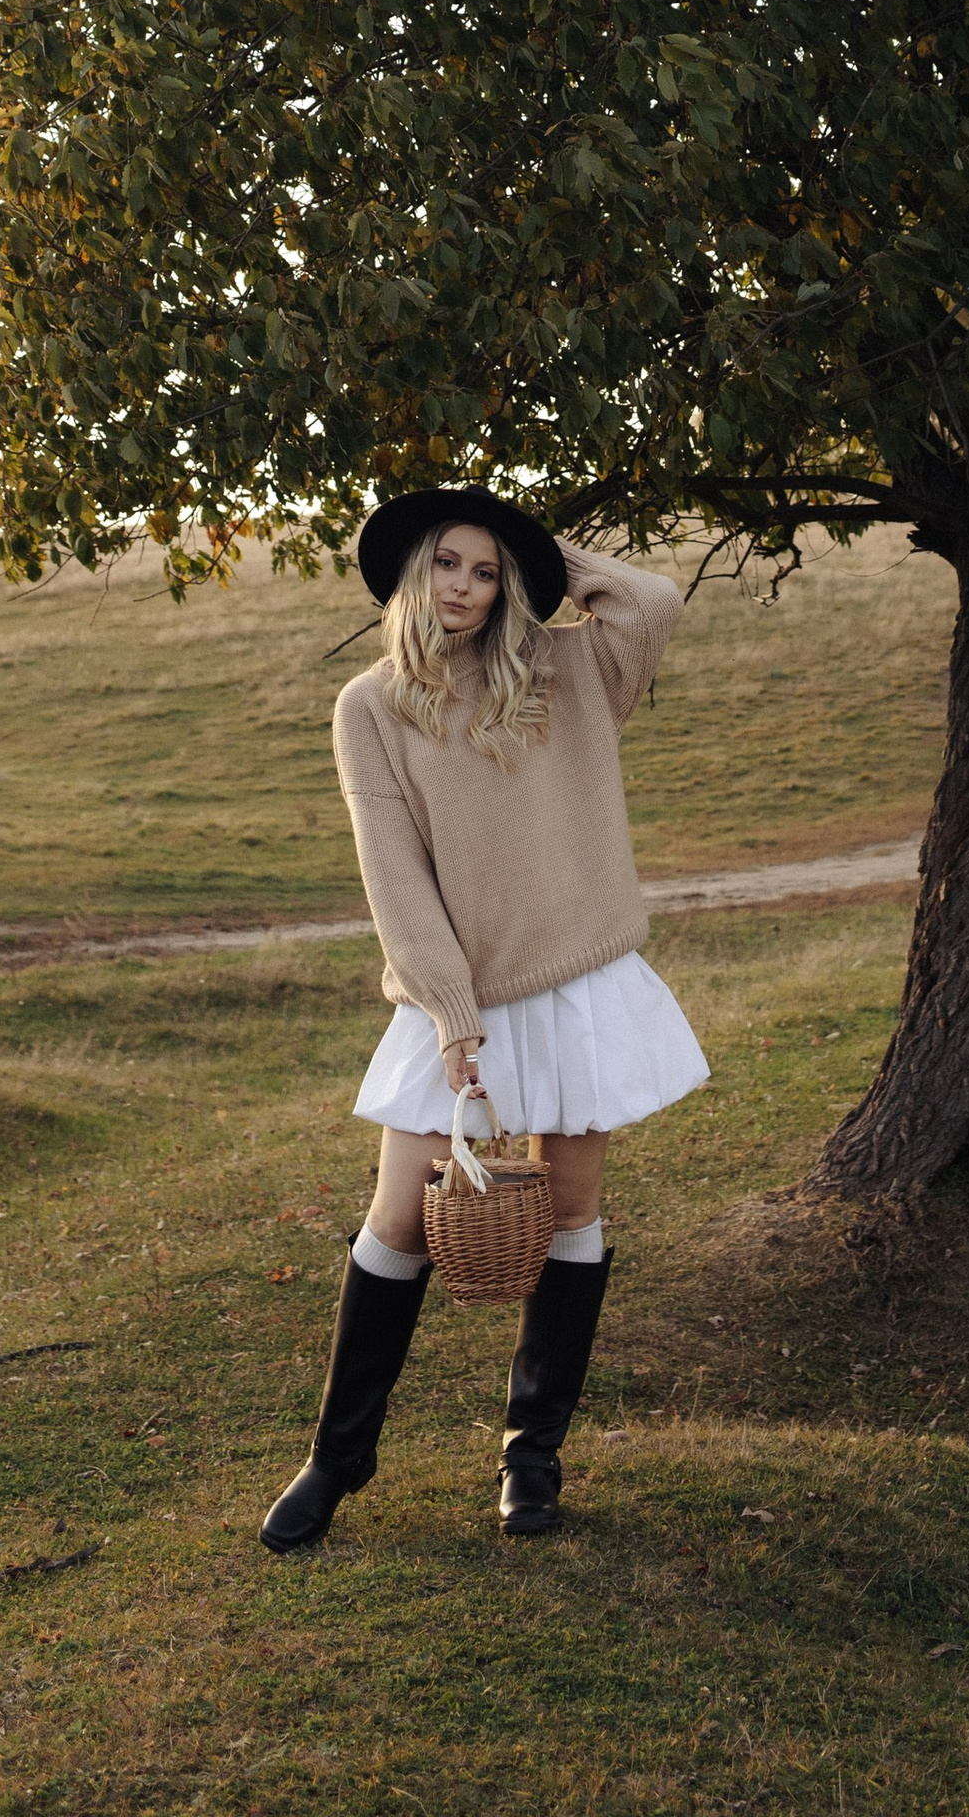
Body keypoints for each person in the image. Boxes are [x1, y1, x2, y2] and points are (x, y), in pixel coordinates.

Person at [260, 485, 706, 1552]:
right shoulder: (370, 706)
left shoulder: (567, 668)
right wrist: (449, 1011)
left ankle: (531, 1458)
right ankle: (337, 1459)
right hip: (455, 998)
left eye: (487, 570)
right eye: (448, 564)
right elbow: (393, 873)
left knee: (567, 1213)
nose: (464, 587)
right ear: (415, 571)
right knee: (401, 1219)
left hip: (583, 981)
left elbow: (651, 598)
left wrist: (542, 554)